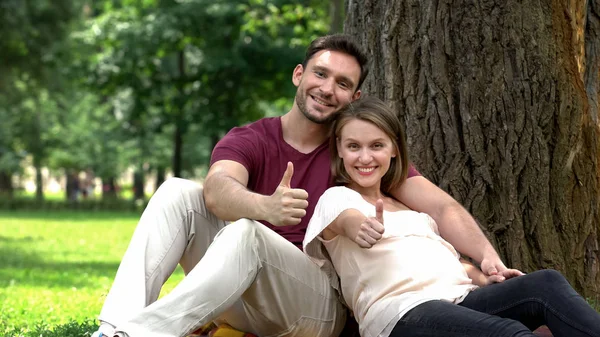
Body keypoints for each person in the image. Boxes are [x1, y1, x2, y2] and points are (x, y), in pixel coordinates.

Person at [92, 34, 509, 337]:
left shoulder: (355, 153)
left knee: (247, 236)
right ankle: (114, 330)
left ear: (354, 96)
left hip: (316, 306)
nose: (327, 89)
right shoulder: (251, 137)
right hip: (235, 288)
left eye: (342, 84)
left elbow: (442, 209)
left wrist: (485, 258)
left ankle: (142, 334)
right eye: (320, 74)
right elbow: (216, 191)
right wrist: (266, 208)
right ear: (299, 74)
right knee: (176, 193)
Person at [303, 95, 600, 337]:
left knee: (545, 284)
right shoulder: (337, 198)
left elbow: (453, 265)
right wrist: (361, 228)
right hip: (402, 314)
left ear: (394, 148)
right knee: (509, 333)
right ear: (339, 150)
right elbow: (346, 220)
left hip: (461, 299)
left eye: (376, 146)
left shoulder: (413, 213)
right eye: (353, 146)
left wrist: (486, 278)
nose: (365, 157)